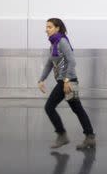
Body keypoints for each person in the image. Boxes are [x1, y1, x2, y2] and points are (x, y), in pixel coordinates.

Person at [38, 18, 96, 150]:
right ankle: (90, 137)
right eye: (46, 27)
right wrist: (41, 80)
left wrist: (66, 81)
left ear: (57, 28)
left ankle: (62, 135)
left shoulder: (62, 42)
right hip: (64, 81)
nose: (46, 29)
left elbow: (72, 61)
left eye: (49, 27)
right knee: (77, 108)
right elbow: (49, 63)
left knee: (49, 107)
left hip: (68, 82)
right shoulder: (53, 45)